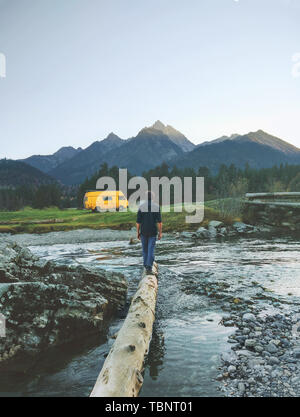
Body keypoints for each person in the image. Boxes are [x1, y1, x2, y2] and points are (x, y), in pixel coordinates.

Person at [136, 191, 162, 274]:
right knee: (151, 249)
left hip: (143, 231)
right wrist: (160, 232)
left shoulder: (141, 207)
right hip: (153, 231)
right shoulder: (156, 206)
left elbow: (138, 222)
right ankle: (149, 267)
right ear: (153, 197)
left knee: (145, 249)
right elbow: (159, 222)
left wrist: (138, 232)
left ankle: (145, 265)